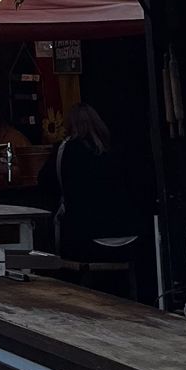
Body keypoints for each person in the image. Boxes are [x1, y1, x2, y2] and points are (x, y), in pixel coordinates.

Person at [45, 104, 150, 299]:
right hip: (128, 236)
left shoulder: (65, 150)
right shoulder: (117, 148)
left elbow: (46, 183)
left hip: (88, 238)